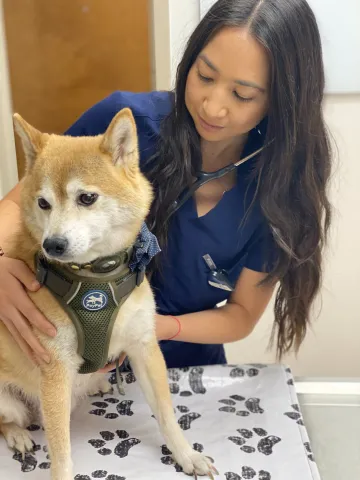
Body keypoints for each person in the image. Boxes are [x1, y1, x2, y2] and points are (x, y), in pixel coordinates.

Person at [0, 0, 332, 370]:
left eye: (242, 95)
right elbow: (18, 205)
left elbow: (240, 315)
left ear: (281, 103)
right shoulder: (127, 126)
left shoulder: (274, 192)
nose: (212, 106)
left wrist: (149, 327)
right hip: (76, 361)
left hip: (184, 370)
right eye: (205, 76)